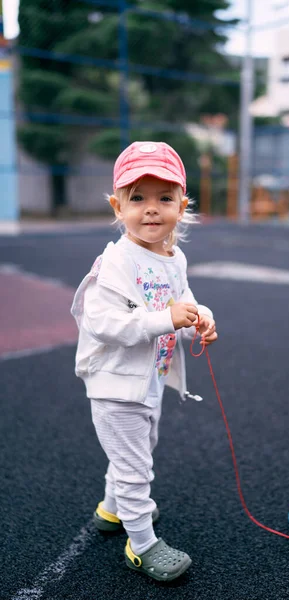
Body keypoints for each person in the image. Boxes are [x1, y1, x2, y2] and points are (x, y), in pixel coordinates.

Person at [71, 141, 218, 582]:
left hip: (148, 381)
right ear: (118, 206)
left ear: (182, 205)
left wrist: (199, 319)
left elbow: (182, 302)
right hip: (115, 385)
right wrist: (164, 318)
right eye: (137, 198)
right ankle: (142, 544)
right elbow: (102, 323)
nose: (151, 209)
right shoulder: (115, 261)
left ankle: (112, 511)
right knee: (137, 468)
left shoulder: (174, 258)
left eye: (164, 198)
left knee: (138, 453)